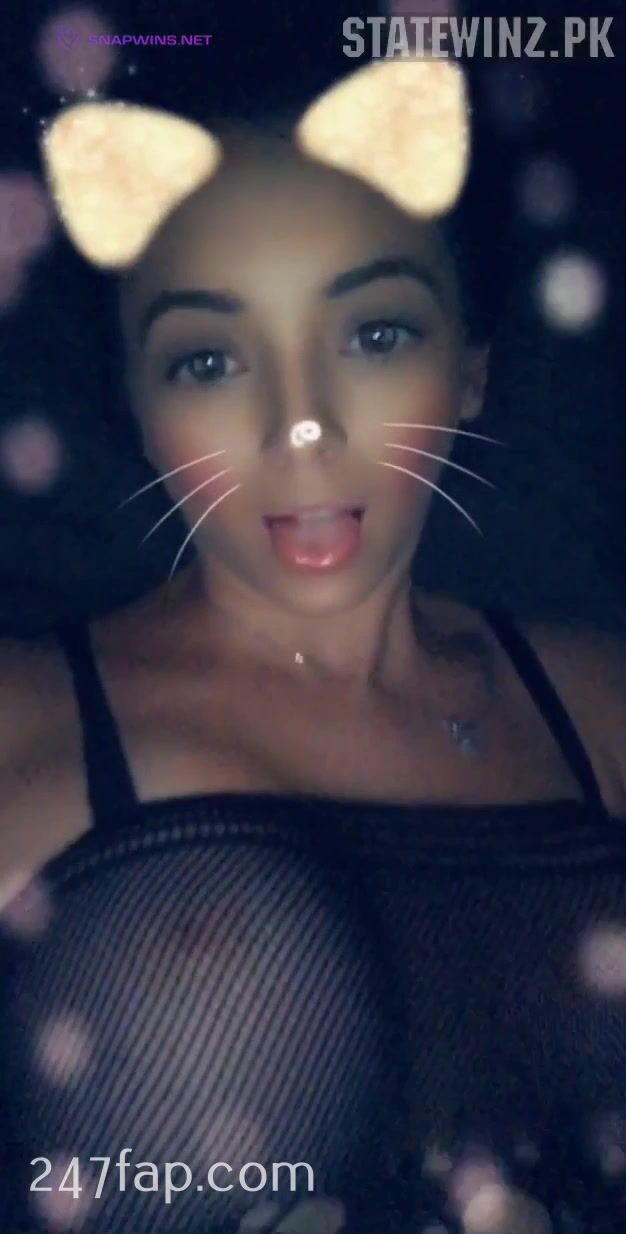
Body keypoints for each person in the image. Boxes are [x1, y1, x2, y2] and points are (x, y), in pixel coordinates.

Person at [1, 104, 626, 1234]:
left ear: (470, 368)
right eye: (208, 359)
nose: (301, 426)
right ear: (136, 406)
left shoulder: (603, 702)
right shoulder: (19, 720)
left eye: (373, 335)